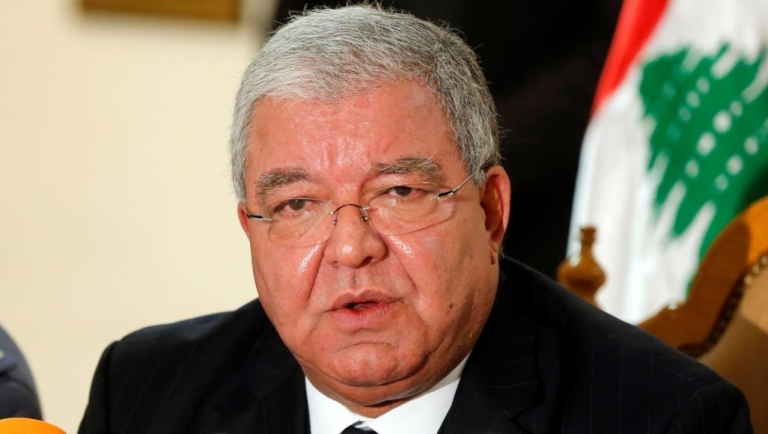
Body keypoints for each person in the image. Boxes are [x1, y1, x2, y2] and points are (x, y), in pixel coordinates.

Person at [79, 5, 752, 433]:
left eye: (399, 192)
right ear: (251, 228)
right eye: (297, 205)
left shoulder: (664, 418)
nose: (350, 247)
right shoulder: (144, 392)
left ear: (490, 211)